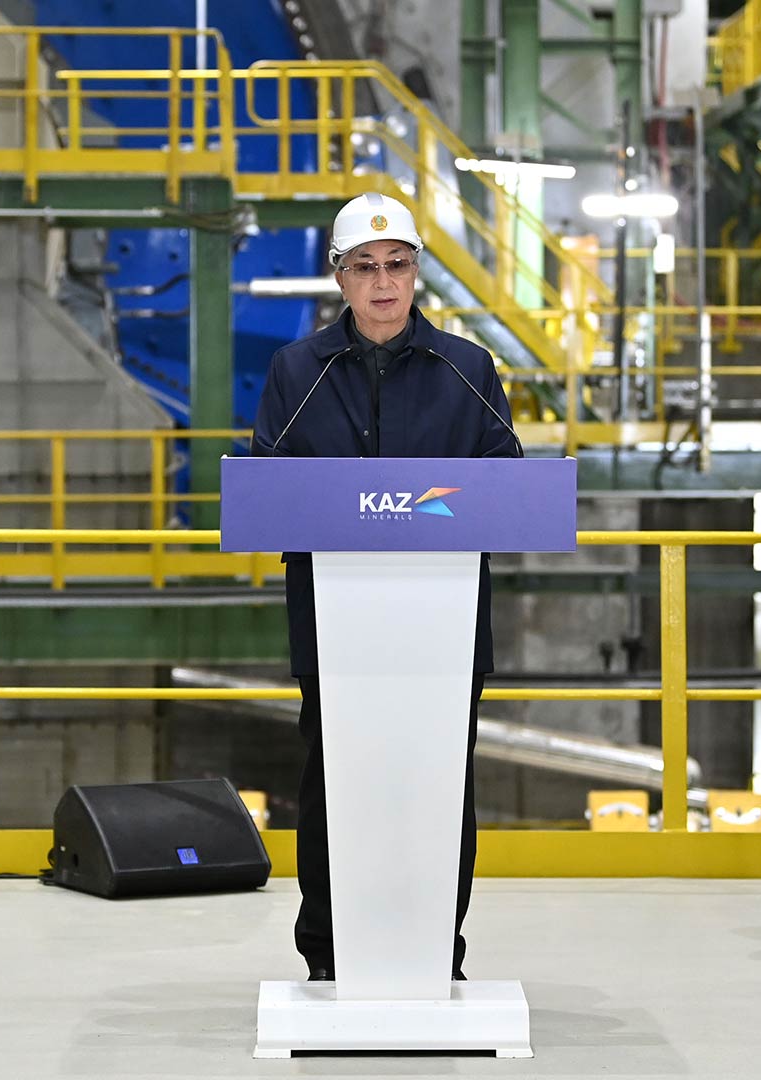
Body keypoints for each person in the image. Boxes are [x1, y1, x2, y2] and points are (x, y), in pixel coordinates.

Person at [250, 192, 521, 982]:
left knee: (439, 790)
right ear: (339, 276)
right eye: (365, 267)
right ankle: (328, 955)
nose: (383, 282)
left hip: (443, 630)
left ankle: (437, 952)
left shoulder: (467, 369)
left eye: (397, 264)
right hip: (335, 629)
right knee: (334, 787)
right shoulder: (297, 371)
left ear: (416, 272)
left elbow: (508, 487)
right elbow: (267, 488)